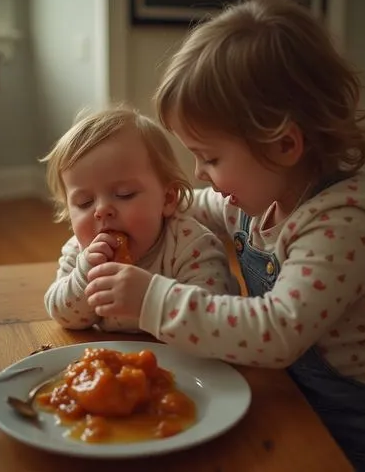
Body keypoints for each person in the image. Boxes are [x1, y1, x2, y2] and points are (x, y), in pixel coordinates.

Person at [84, 0, 365, 470]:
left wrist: (152, 299)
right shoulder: (256, 198)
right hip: (290, 388)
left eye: (211, 157)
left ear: (284, 145)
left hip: (361, 422)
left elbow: (274, 330)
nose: (200, 174)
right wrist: (136, 208)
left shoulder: (343, 228)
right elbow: (193, 204)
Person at [41, 105, 236, 332]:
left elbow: (213, 322)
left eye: (125, 194)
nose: (102, 210)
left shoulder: (190, 244)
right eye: (84, 202)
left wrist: (151, 298)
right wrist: (84, 277)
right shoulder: (79, 253)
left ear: (168, 199)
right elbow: (64, 317)